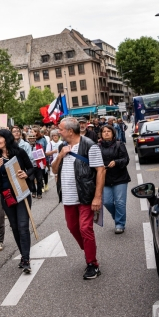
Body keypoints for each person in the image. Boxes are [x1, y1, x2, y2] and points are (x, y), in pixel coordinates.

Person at [52, 117, 105, 280]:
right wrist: (60, 155)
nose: (57, 131)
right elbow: (54, 170)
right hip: (68, 198)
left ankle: (92, 264)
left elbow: (101, 170)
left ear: (69, 131)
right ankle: (89, 249)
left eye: (60, 129)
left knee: (85, 228)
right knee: (73, 228)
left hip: (85, 196)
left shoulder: (89, 145)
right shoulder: (62, 146)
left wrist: (97, 197)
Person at [0, 130, 34, 274]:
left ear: (6, 139)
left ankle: (26, 259)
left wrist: (26, 173)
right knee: (15, 227)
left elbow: (32, 168)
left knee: (23, 226)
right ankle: (23, 255)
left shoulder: (19, 152)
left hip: (21, 193)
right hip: (7, 195)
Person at [99, 125, 131, 234]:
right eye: (104, 131)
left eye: (109, 131)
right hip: (105, 178)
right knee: (107, 201)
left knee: (120, 202)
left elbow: (126, 159)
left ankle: (120, 223)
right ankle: (117, 215)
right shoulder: (97, 146)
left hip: (120, 177)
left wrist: (116, 162)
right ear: (101, 134)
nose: (106, 133)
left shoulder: (119, 144)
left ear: (113, 133)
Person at [27, 132, 46, 199]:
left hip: (38, 165)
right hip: (30, 166)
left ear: (35, 139)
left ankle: (39, 193)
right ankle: (33, 192)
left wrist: (44, 163)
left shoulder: (39, 145)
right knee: (31, 180)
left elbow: (43, 155)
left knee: (39, 180)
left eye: (33, 138)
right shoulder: (26, 146)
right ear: (28, 139)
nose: (32, 139)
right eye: (30, 138)